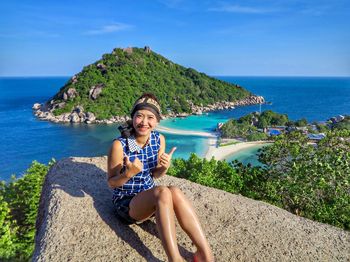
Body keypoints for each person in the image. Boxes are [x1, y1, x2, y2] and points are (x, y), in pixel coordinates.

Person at [107, 93, 214, 262]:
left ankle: (205, 253)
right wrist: (128, 174)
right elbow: (112, 183)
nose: (144, 122)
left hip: (150, 197)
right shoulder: (119, 145)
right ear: (132, 117)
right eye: (139, 116)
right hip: (127, 204)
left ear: (157, 121)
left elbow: (155, 174)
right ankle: (175, 259)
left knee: (175, 191)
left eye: (150, 117)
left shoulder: (159, 139)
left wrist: (163, 167)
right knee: (163, 192)